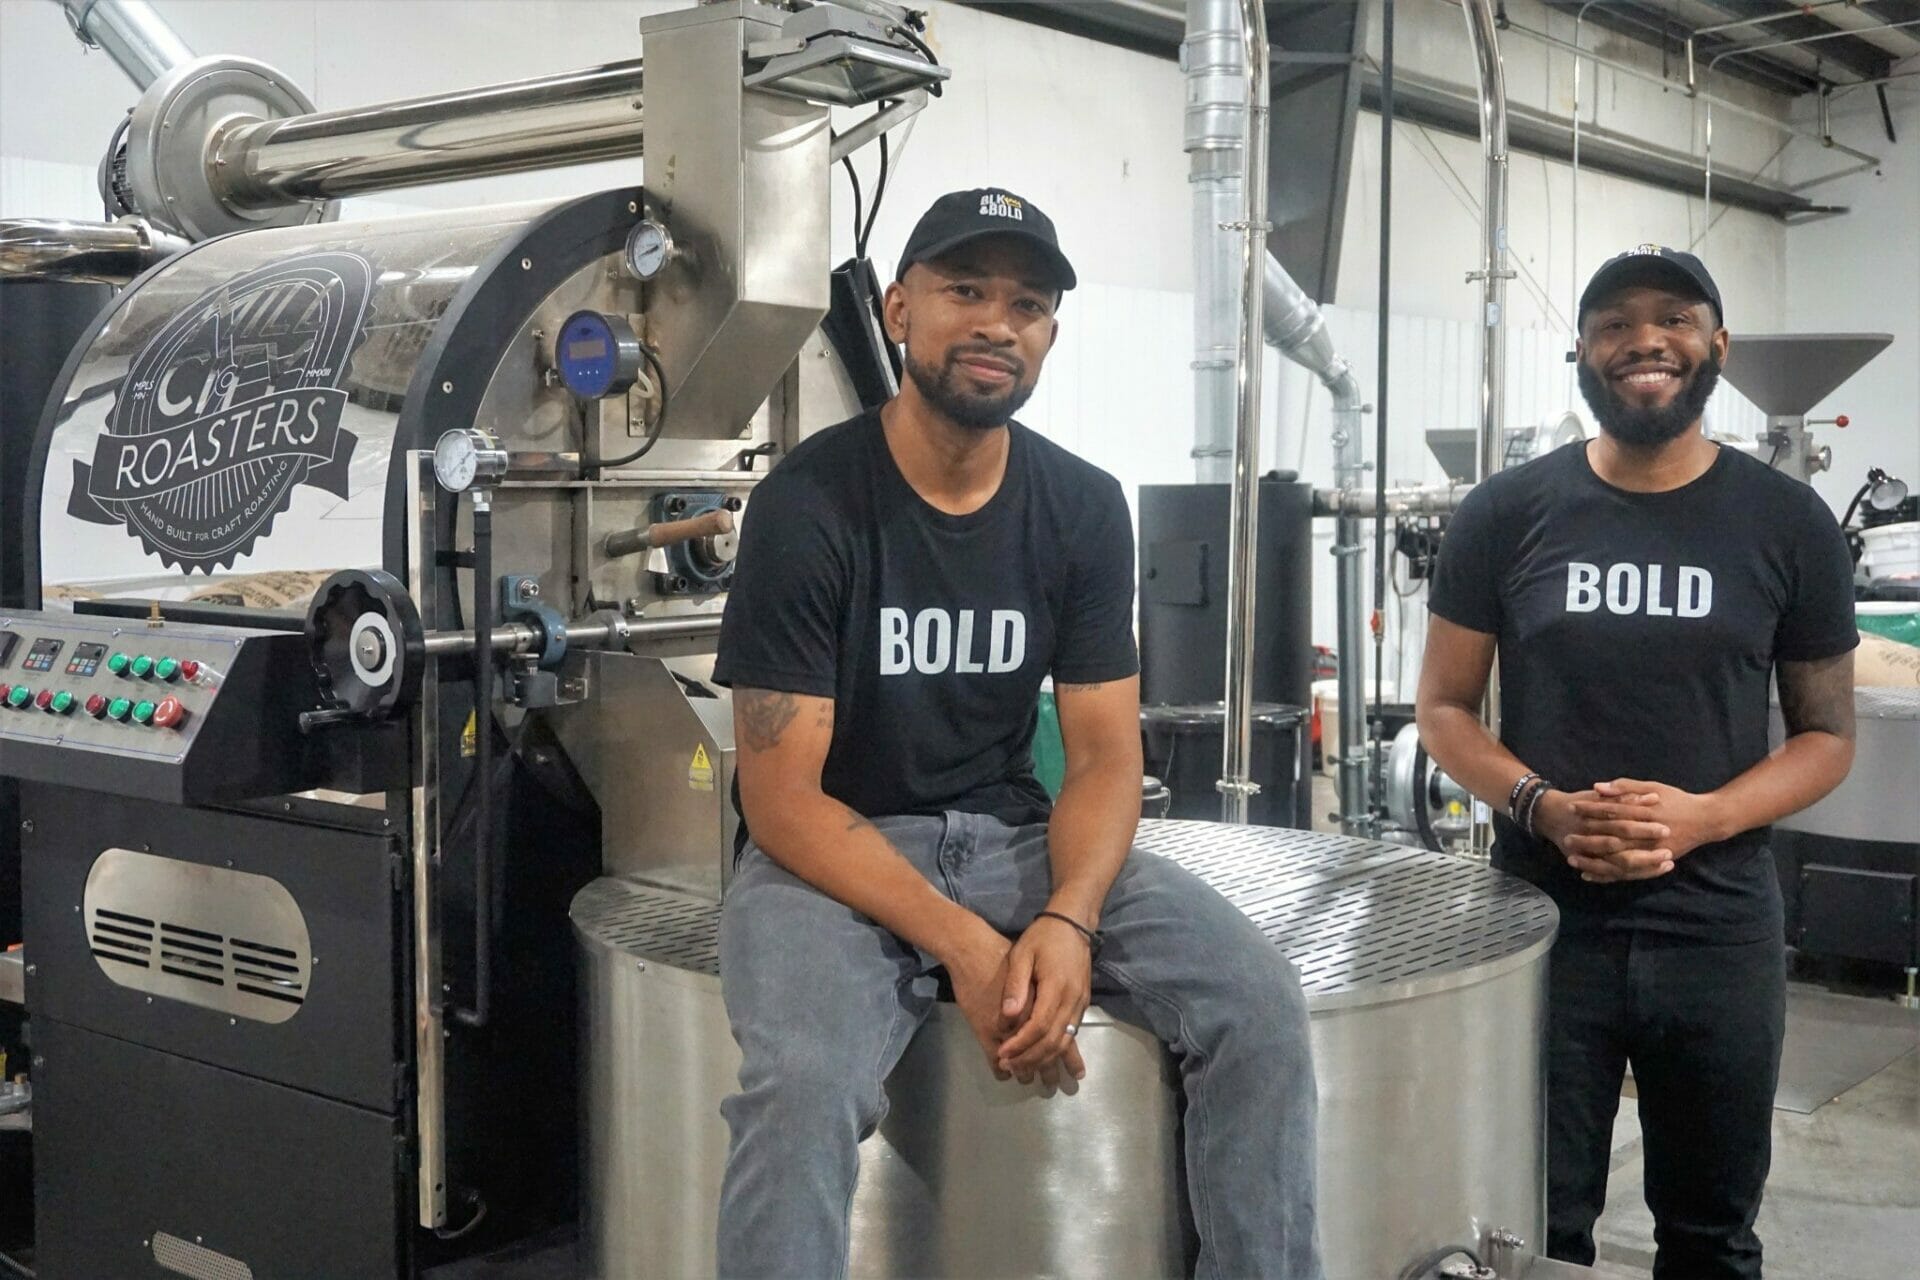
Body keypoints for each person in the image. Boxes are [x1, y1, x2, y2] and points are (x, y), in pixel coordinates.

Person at [710, 188, 1324, 1280]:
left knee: (1261, 1006)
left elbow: (1106, 755)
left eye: (1028, 305)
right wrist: (966, 941)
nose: (998, 323)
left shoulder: (1080, 506)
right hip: (831, 856)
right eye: (966, 290)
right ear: (899, 309)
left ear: (1048, 334)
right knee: (801, 1084)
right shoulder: (809, 504)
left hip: (1013, 836)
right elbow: (783, 797)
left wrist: (1069, 916)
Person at [1416, 246, 1858, 1279]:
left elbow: (1828, 735)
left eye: (1674, 318)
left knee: (1711, 1231)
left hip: (1717, 926)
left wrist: (1703, 817)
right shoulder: (1504, 513)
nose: (1644, 340)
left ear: (1717, 346)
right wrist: (1542, 805)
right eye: (1615, 323)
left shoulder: (1788, 522)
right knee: (1535, 1225)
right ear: (1581, 351)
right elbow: (1443, 707)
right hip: (1541, 923)